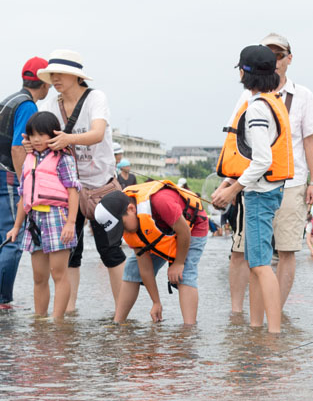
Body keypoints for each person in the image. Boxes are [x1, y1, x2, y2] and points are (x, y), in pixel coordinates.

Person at [227, 33, 313, 312]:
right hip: (254, 183)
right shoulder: (247, 96)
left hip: (292, 183)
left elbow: (310, 140)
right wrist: (232, 181)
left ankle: (274, 311)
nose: (275, 60)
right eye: (269, 55)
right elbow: (237, 138)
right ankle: (236, 314)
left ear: (289, 59)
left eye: (279, 55)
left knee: (286, 250)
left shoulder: (303, 95)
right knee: (239, 250)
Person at [212, 45, 293, 333]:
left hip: (260, 194)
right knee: (256, 262)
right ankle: (257, 328)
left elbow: (262, 160)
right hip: (269, 190)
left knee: (259, 265)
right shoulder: (273, 101)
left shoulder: (258, 107)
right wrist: (230, 183)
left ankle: (273, 333)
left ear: (245, 74)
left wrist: (233, 190)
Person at [40, 49, 125, 310]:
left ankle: (121, 311)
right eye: (51, 74)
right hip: (69, 188)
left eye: (60, 74)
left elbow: (98, 133)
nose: (54, 79)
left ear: (76, 77)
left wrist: (67, 139)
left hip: (102, 187)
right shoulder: (52, 104)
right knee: (70, 254)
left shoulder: (95, 98)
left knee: (110, 252)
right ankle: (69, 310)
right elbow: (41, 132)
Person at [101, 179, 209, 325]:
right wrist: (156, 302)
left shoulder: (161, 202)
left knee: (185, 273)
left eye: (123, 226)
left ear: (131, 209)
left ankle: (189, 331)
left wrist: (178, 263)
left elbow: (184, 232)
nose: (124, 232)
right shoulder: (131, 226)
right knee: (132, 268)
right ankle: (117, 323)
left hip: (192, 226)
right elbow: (145, 268)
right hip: (162, 232)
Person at [4, 111, 79, 319]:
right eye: (33, 135)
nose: (37, 139)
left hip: (57, 218)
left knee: (59, 273)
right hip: (34, 220)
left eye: (42, 134)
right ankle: (40, 320)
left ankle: (57, 321)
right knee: (39, 276)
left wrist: (71, 223)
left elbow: (74, 191)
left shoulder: (63, 158)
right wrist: (16, 227)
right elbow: (23, 196)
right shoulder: (29, 159)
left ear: (54, 134)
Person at [0, 57, 49, 307]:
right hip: (7, 174)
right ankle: (3, 298)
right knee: (13, 238)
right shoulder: (28, 106)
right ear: (43, 83)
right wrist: (25, 184)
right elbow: (18, 147)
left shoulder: (8, 100)